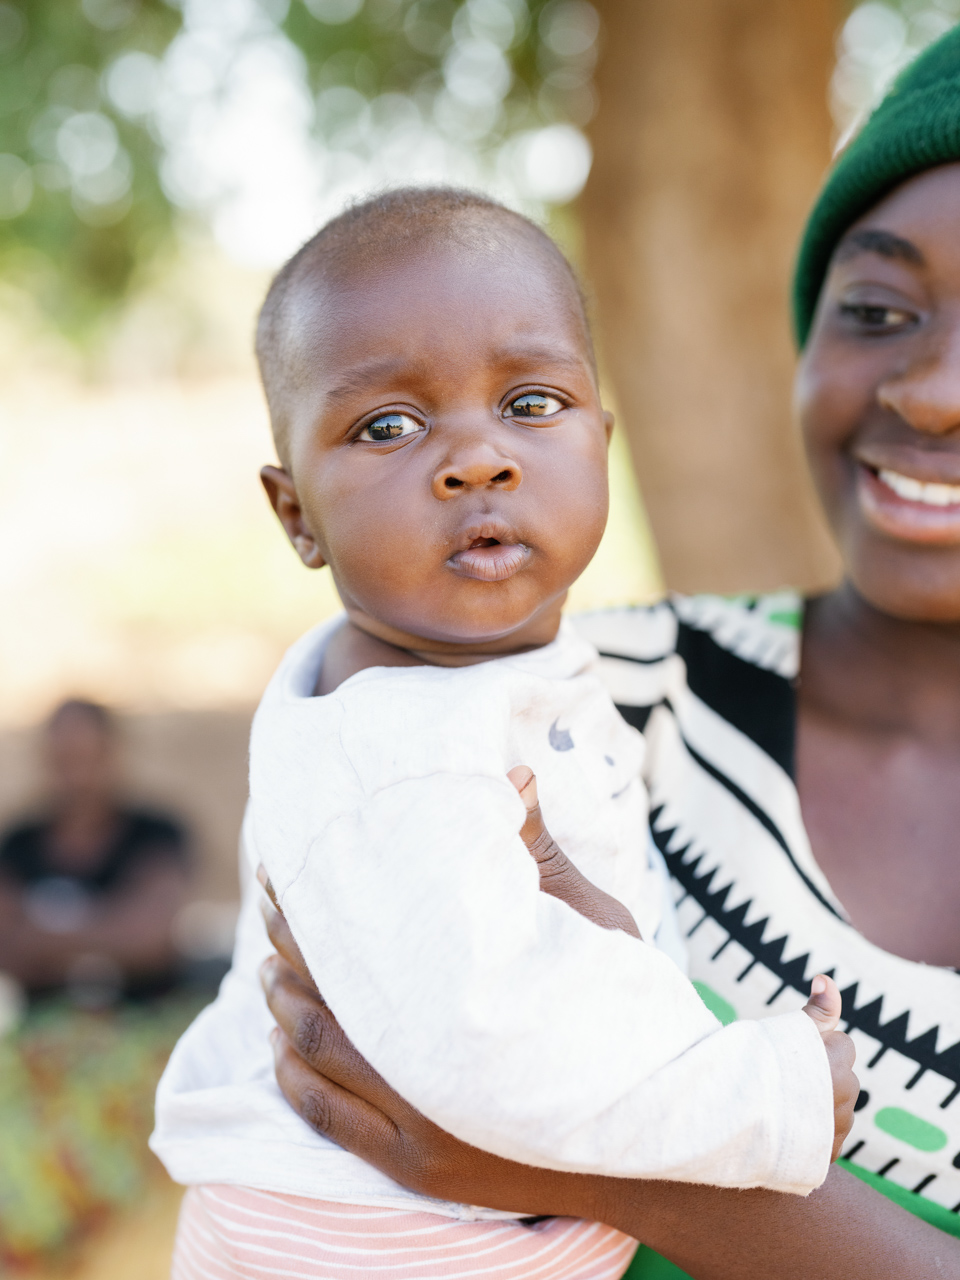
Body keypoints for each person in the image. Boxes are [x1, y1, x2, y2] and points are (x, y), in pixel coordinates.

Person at [256, 25, 960, 1280]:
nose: (934, 390)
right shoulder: (510, 704)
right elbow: (336, 1065)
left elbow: (468, 1099)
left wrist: (619, 1178)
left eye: (530, 403)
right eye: (879, 309)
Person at [151, 189, 856, 1280]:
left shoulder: (494, 677)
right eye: (387, 425)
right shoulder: (396, 748)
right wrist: (772, 1092)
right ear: (297, 514)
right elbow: (487, 1050)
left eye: (531, 401)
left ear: (601, 442)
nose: (476, 458)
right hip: (368, 1242)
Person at [0, 699, 189, 1002]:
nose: (78, 778)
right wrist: (114, 931)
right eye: (65, 762)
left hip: (147, 1017)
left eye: (89, 759)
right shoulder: (17, 843)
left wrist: (42, 937)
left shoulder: (156, 834)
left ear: (113, 755)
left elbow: (153, 941)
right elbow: (8, 950)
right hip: (44, 1033)